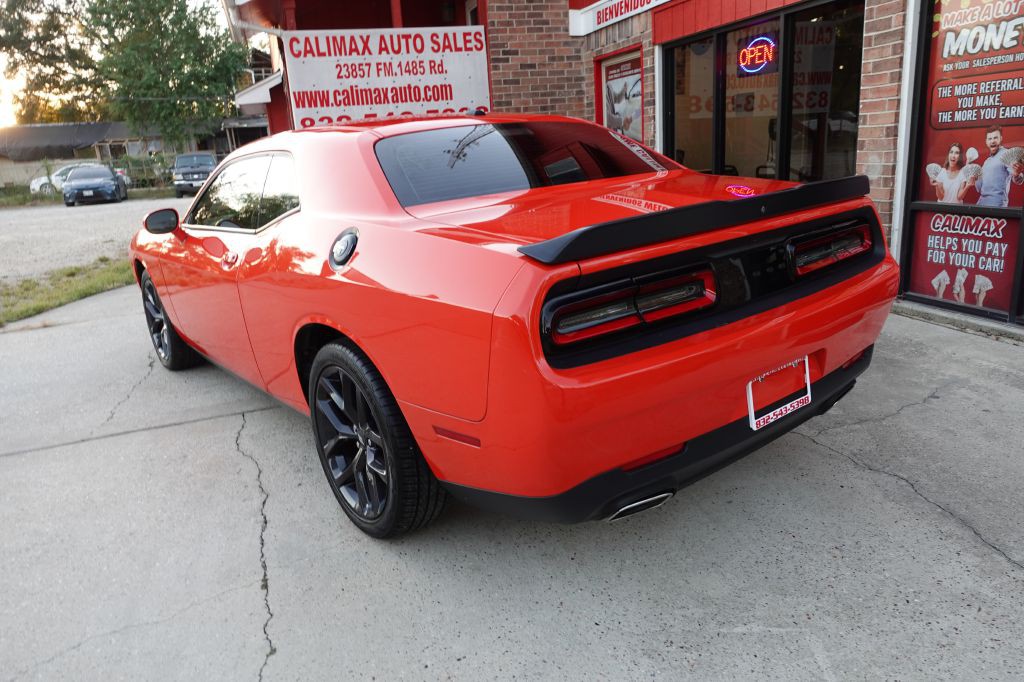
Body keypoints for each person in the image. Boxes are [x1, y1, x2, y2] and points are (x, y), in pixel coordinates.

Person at [962, 125, 1024, 206]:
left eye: (995, 138)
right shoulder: (986, 162)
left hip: (996, 206)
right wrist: (972, 174)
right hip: (981, 203)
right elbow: (980, 188)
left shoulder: (1006, 154)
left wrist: (1017, 174)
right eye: (990, 139)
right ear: (986, 141)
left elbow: (1018, 178)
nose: (993, 141)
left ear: (1001, 138)